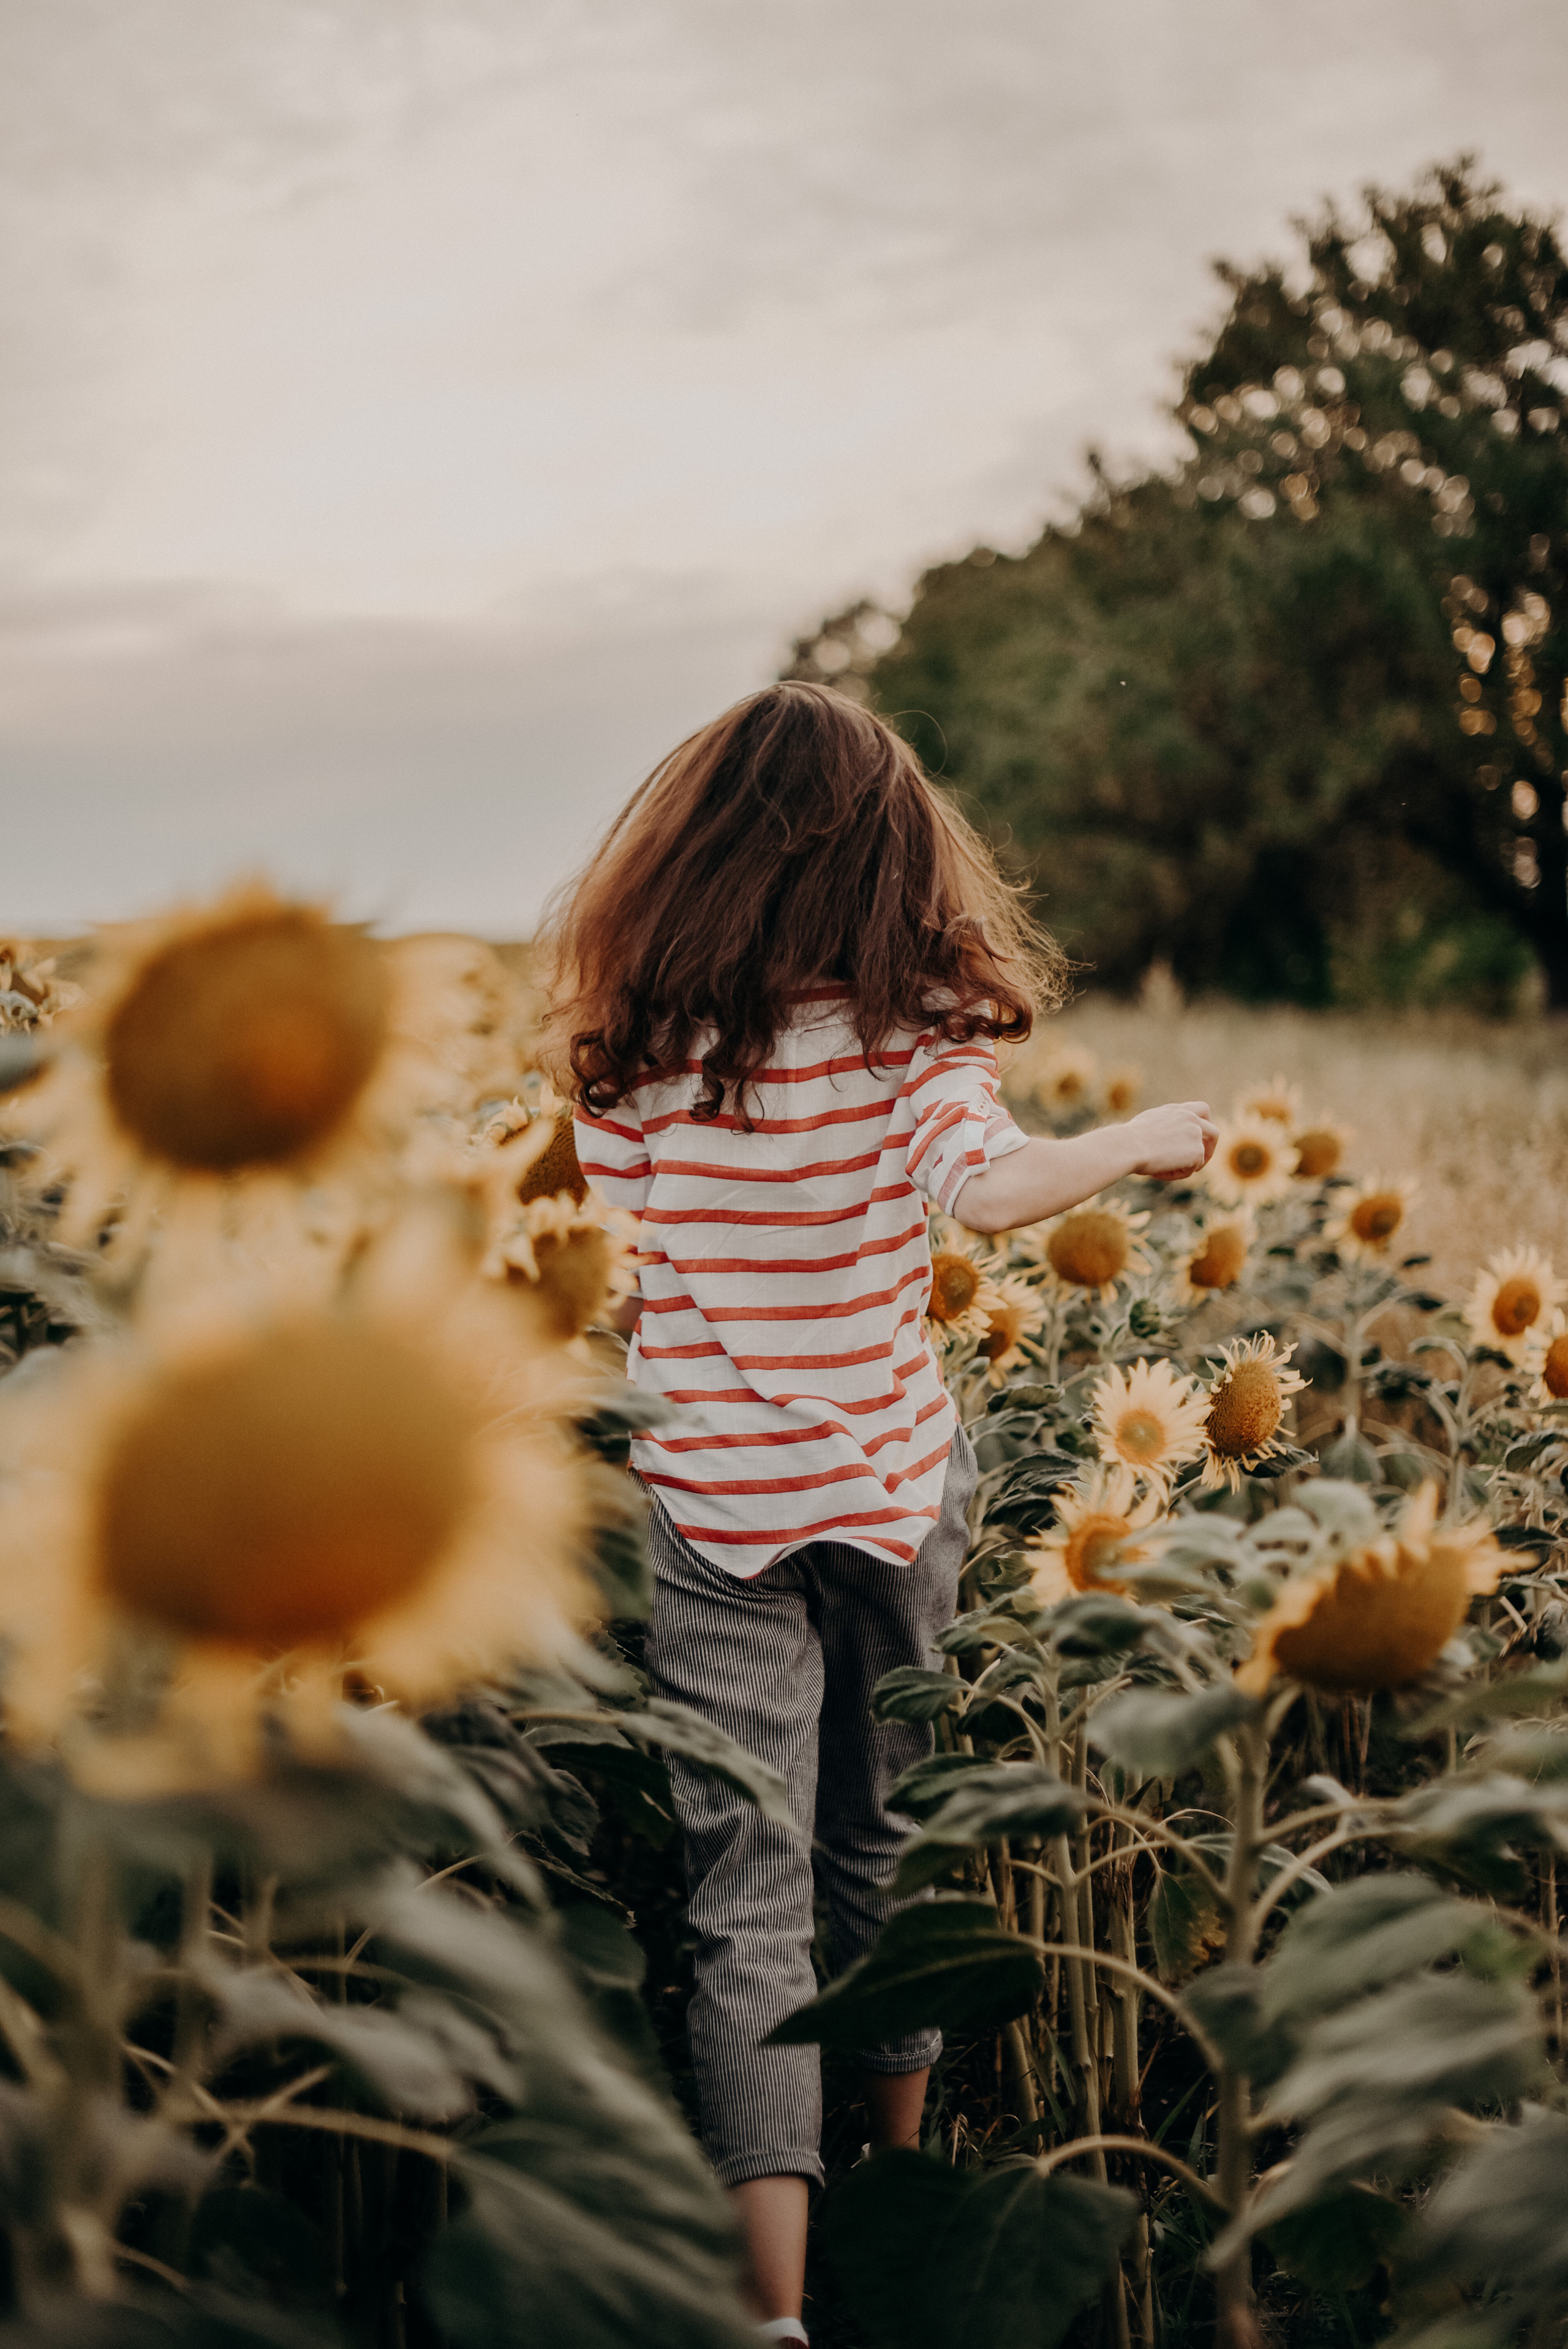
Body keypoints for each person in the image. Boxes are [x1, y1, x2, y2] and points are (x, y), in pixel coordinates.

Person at [541, 682, 1215, 2343]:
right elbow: (982, 1191)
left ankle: (772, 2305)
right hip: (897, 1487)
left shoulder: (638, 1050)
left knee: (743, 1896)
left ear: (689, 854)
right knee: (886, 1839)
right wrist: (1133, 1140)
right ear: (893, 857)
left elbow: (614, 1282)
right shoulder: (915, 1038)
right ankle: (896, 2175)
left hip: (712, 1503)